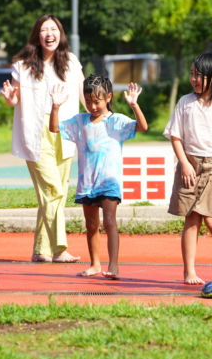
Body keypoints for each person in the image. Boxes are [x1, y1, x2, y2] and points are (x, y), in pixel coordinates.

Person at [1, 14, 83, 263]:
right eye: (44, 30)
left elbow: (83, 95)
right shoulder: (22, 65)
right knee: (53, 190)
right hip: (36, 134)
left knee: (53, 193)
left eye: (54, 29)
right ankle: (59, 248)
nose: (50, 34)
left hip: (64, 133)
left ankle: (40, 250)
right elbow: (14, 98)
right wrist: (11, 100)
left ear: (61, 34)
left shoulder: (70, 62)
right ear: (37, 35)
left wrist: (99, 117)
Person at [49, 74, 148, 279]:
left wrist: (134, 105)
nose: (93, 106)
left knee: (110, 221)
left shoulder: (116, 121)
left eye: (97, 101)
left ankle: (114, 266)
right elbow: (54, 128)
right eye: (88, 101)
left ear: (108, 97)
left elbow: (142, 127)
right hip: (87, 184)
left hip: (109, 181)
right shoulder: (80, 121)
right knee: (91, 225)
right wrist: (56, 107)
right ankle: (94, 264)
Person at [163, 50, 212, 286]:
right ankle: (189, 272)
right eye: (192, 74)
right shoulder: (185, 103)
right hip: (190, 165)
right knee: (191, 219)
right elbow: (175, 136)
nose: (194, 79)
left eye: (199, 75)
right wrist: (184, 164)